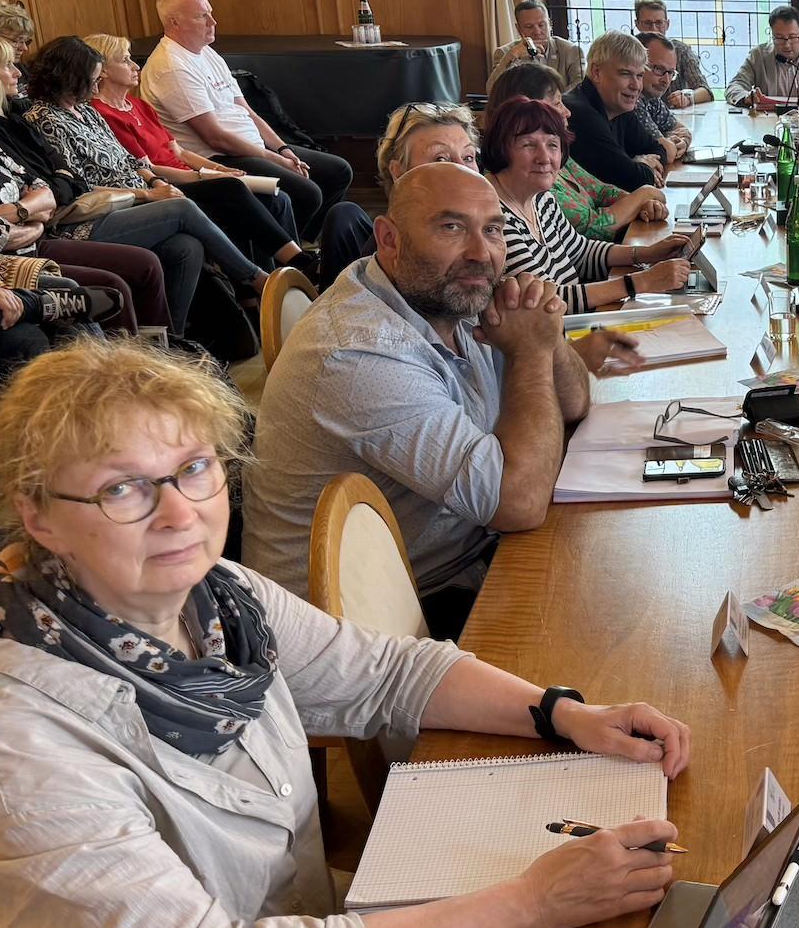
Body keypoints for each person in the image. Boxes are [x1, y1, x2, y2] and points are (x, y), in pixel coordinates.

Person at [0, 338, 691, 928]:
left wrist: (564, 713)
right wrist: (529, 902)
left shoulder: (220, 600)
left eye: (193, 469)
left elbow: (387, 672)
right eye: (123, 490)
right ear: (38, 517)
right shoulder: (13, 748)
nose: (180, 512)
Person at [247, 161, 640, 632]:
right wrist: (532, 351)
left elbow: (575, 405)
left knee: (626, 574)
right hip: (361, 629)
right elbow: (517, 503)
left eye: (493, 231)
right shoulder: (360, 351)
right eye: (451, 227)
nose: (481, 254)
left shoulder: (450, 294)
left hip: (457, 560)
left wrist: (547, 333)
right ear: (389, 239)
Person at [0, 34, 270, 339]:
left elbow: (72, 178)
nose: (17, 72)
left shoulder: (85, 112)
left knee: (187, 246)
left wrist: (155, 181)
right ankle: (255, 278)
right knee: (192, 205)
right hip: (87, 216)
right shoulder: (42, 117)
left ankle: (168, 341)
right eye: (93, 78)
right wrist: (147, 193)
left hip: (125, 199)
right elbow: (72, 190)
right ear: (72, 77)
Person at [85, 33, 312, 274]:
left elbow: (180, 151)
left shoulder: (139, 105)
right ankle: (294, 263)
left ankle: (282, 280)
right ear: (103, 71)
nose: (135, 66)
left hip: (190, 174)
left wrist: (218, 169)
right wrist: (205, 177)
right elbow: (147, 167)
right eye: (125, 60)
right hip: (167, 184)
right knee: (232, 189)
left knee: (277, 198)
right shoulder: (103, 114)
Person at [139, 0, 353, 239]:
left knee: (338, 171)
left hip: (250, 146)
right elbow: (215, 138)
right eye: (201, 16)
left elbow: (247, 111)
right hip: (219, 158)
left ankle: (303, 245)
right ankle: (286, 259)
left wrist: (283, 149)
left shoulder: (207, 53)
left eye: (210, 13)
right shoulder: (171, 67)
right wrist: (276, 160)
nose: (213, 22)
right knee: (307, 192)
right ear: (174, 22)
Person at [483, 96, 691, 314]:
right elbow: (549, 302)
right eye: (528, 145)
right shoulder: (495, 219)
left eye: (553, 145)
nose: (544, 157)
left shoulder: (540, 198)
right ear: (501, 149)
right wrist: (641, 282)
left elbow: (581, 252)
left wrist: (647, 253)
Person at [0, 109, 169, 339]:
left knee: (170, 252)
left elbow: (43, 187)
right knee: (91, 288)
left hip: (36, 237)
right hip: (3, 255)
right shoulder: (40, 115)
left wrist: (22, 212)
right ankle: (34, 306)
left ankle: (160, 355)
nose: (16, 72)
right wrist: (30, 215)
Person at [489, 62, 666, 241]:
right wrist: (644, 194)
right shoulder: (532, 176)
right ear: (526, 112)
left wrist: (643, 204)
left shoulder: (555, 153)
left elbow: (601, 191)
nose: (567, 112)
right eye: (557, 103)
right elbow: (594, 228)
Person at [315, 102, 487, 282]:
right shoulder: (403, 261)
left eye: (468, 157)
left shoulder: (489, 223)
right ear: (398, 172)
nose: (463, 170)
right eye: (441, 158)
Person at [563, 32, 669, 191]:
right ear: (596, 72)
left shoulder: (618, 106)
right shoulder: (578, 113)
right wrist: (638, 164)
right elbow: (632, 179)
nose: (636, 86)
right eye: (625, 74)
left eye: (639, 76)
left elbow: (658, 150)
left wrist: (636, 164)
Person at [726, 5, 799, 108]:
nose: (787, 44)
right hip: (769, 124)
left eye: (793, 37)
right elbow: (734, 86)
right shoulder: (758, 56)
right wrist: (747, 97)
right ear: (772, 36)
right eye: (779, 38)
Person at [486, 0, 584, 91]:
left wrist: (554, 101)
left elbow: (579, 87)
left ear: (550, 24)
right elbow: (492, 91)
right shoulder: (505, 53)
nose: (537, 31)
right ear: (519, 29)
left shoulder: (570, 51)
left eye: (541, 25)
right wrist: (512, 56)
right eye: (529, 26)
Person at [633, 0, 712, 106]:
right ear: (637, 24)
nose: (654, 29)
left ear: (667, 24)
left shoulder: (680, 50)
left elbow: (706, 91)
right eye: (647, 23)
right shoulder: (628, 52)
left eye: (659, 23)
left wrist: (688, 98)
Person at [634, 33, 692, 158]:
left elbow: (680, 128)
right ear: (637, 64)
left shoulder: (653, 99)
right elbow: (667, 152)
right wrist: (671, 141)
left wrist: (684, 141)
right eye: (658, 69)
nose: (666, 80)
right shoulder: (634, 101)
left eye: (671, 73)